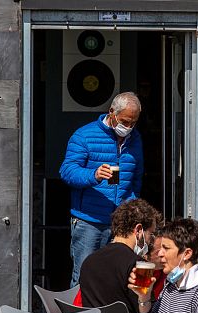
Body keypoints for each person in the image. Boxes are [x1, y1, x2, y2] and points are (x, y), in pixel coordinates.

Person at [60, 92, 145, 287]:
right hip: (89, 219)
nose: (129, 127)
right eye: (125, 121)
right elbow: (67, 171)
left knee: (117, 277)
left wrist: (131, 206)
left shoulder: (135, 139)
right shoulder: (84, 135)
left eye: (134, 123)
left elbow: (136, 176)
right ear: (112, 113)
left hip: (120, 222)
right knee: (84, 274)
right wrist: (94, 175)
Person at [78, 198, 161, 313]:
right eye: (151, 234)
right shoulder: (139, 266)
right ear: (138, 230)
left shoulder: (88, 262)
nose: (151, 241)